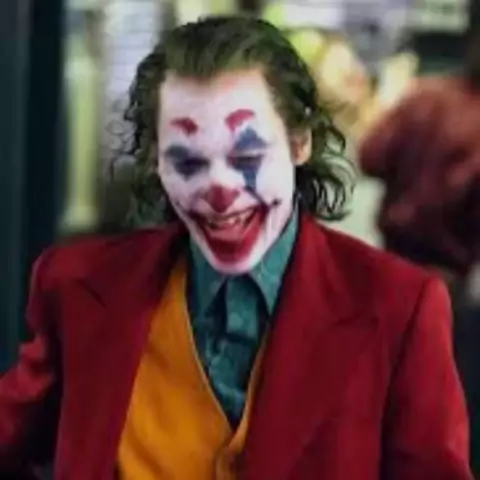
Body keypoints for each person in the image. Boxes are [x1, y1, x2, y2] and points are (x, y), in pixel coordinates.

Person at [0, 16, 473, 480]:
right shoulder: (79, 288)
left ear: (299, 142)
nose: (220, 191)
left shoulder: (399, 308)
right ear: (156, 163)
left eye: (247, 156)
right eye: (187, 162)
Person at [358, 7, 480, 474]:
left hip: (385, 278)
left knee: (375, 416)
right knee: (435, 430)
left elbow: (370, 155)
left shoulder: (423, 99)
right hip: (446, 295)